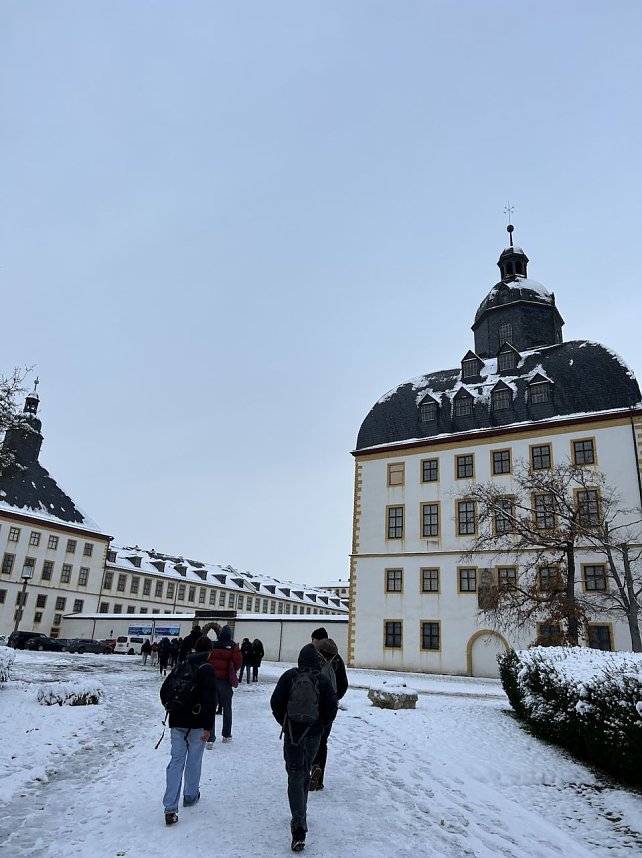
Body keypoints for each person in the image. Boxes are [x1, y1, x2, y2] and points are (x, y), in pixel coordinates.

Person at [271, 643, 337, 852]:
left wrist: (285, 721)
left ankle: (299, 824)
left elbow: (275, 703)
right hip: (313, 734)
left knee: (294, 774)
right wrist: (319, 725)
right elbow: (331, 709)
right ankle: (301, 814)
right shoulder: (323, 681)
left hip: (292, 733)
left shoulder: (289, 676)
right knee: (304, 773)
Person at [160, 635, 217, 826]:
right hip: (197, 724)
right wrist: (209, 728)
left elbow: (164, 690)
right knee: (194, 760)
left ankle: (170, 808)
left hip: (177, 722)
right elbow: (210, 702)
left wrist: (172, 708)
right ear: (209, 652)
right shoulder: (207, 669)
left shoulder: (181, 665)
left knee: (176, 762)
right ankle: (191, 795)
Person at [309, 637, 348, 792]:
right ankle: (319, 780)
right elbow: (344, 684)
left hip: (313, 706)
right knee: (323, 742)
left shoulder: (314, 658)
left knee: (310, 739)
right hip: (329, 708)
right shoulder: (337, 660)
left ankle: (312, 767)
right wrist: (334, 698)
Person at [207, 625, 242, 742]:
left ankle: (210, 738)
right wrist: (232, 671)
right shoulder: (233, 646)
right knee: (227, 708)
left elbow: (207, 659)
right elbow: (238, 662)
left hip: (213, 680)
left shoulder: (213, 645)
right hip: (226, 681)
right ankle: (226, 735)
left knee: (211, 708)